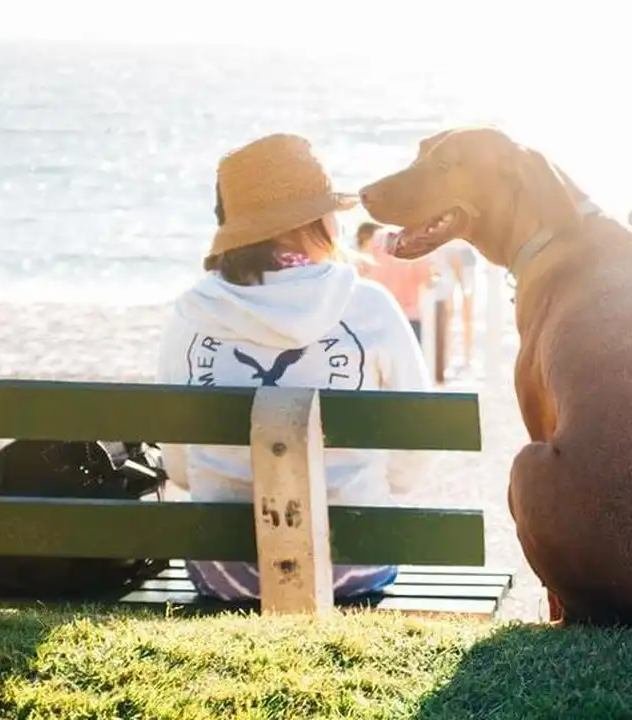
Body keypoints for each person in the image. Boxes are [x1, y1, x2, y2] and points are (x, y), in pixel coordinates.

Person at [155, 133, 432, 602]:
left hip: (225, 569)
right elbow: (416, 444)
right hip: (354, 561)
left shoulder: (192, 312)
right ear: (317, 220)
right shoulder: (368, 305)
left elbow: (179, 467)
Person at [355, 221, 433, 341]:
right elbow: (427, 280)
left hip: (379, 315)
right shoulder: (416, 241)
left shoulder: (377, 238)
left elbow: (361, 271)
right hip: (409, 317)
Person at [430, 239, 478, 381]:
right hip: (448, 251)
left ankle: (466, 356)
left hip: (462, 251)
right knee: (447, 311)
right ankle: (449, 357)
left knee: (465, 311)